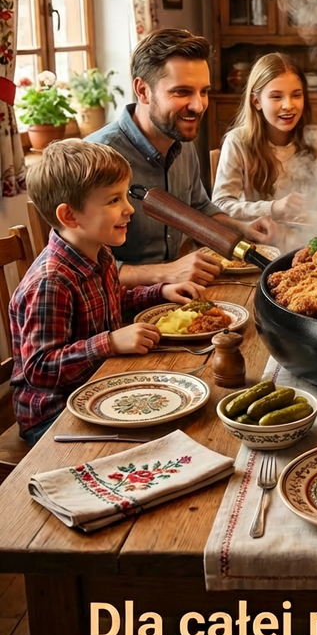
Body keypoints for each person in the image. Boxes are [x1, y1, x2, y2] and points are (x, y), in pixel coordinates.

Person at [9, 140, 203, 446]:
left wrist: (160, 291)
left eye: (125, 196)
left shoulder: (100, 254)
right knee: (161, 441)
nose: (129, 208)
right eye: (114, 200)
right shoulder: (51, 281)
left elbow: (114, 300)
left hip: (101, 388)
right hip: (53, 417)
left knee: (186, 411)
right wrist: (110, 342)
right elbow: (39, 368)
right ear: (70, 216)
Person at [87, 29, 276, 286]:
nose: (198, 106)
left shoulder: (181, 140)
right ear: (143, 90)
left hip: (177, 293)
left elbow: (199, 208)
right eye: (182, 92)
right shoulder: (95, 158)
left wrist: (243, 228)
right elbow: (80, 269)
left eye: (203, 91)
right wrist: (164, 273)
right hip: (117, 313)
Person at [212, 52, 317, 223]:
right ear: (256, 102)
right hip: (261, 240)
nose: (288, 105)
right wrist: (273, 208)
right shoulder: (238, 142)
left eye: (296, 95)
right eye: (276, 97)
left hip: (309, 237)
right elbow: (220, 205)